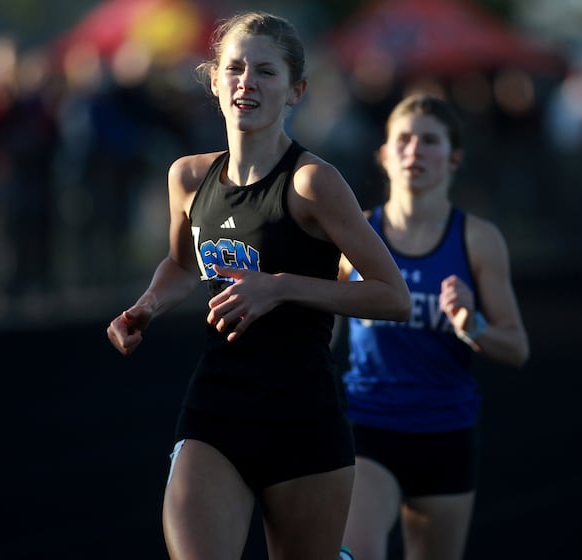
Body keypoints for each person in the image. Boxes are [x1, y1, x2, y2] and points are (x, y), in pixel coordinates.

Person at [106, 11, 410, 560]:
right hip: (215, 410)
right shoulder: (188, 177)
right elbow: (181, 263)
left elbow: (394, 297)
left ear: (296, 91)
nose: (248, 81)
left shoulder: (312, 183)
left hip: (303, 420)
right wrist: (146, 306)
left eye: (266, 72)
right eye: (236, 68)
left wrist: (281, 286)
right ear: (215, 81)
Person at [337, 92, 530, 560]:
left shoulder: (478, 240)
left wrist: (472, 324)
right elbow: (320, 327)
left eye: (429, 140)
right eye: (403, 139)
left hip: (446, 434)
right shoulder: (355, 234)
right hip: (368, 427)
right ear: (383, 155)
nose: (414, 151)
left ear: (454, 157)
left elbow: (517, 348)